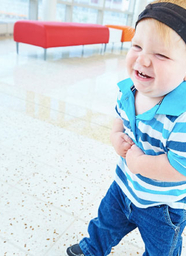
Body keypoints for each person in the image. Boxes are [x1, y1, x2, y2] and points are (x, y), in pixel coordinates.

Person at [66, 0, 186, 255]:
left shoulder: (182, 117)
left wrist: (140, 163)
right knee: (104, 223)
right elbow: (119, 117)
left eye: (161, 54)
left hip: (162, 206)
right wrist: (115, 135)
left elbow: (180, 166)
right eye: (137, 46)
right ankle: (91, 248)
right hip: (123, 186)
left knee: (162, 249)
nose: (142, 59)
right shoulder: (129, 90)